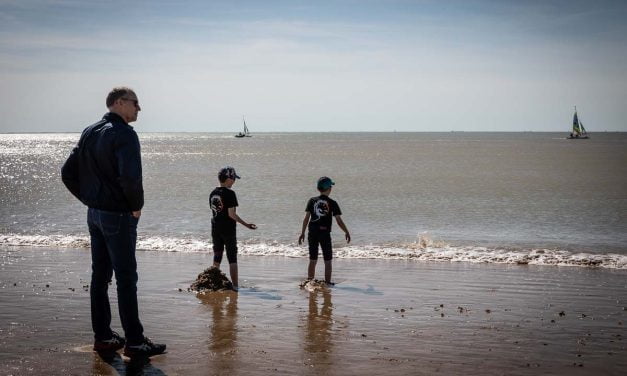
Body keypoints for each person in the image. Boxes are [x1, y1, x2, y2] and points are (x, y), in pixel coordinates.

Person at [61, 87, 166, 358]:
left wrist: (89, 199)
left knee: (100, 277)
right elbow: (130, 178)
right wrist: (135, 207)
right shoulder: (124, 134)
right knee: (126, 278)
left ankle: (104, 337)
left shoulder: (90, 131)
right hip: (118, 215)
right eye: (135, 103)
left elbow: (67, 173)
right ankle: (135, 342)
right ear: (119, 103)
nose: (139, 108)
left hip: (95, 214)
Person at [209, 166, 257, 291]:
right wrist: (246, 224)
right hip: (228, 229)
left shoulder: (213, 192)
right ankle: (235, 286)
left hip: (215, 228)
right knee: (232, 258)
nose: (234, 181)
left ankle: (213, 281)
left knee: (217, 255)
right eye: (233, 179)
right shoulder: (230, 194)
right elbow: (231, 214)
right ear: (228, 179)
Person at [298, 176, 350, 284]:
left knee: (313, 259)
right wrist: (346, 231)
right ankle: (327, 283)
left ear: (318, 189)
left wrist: (302, 232)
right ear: (329, 188)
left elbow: (306, 218)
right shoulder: (332, 203)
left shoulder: (312, 201)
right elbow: (339, 221)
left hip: (312, 232)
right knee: (328, 260)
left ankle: (310, 281)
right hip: (324, 233)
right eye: (331, 186)